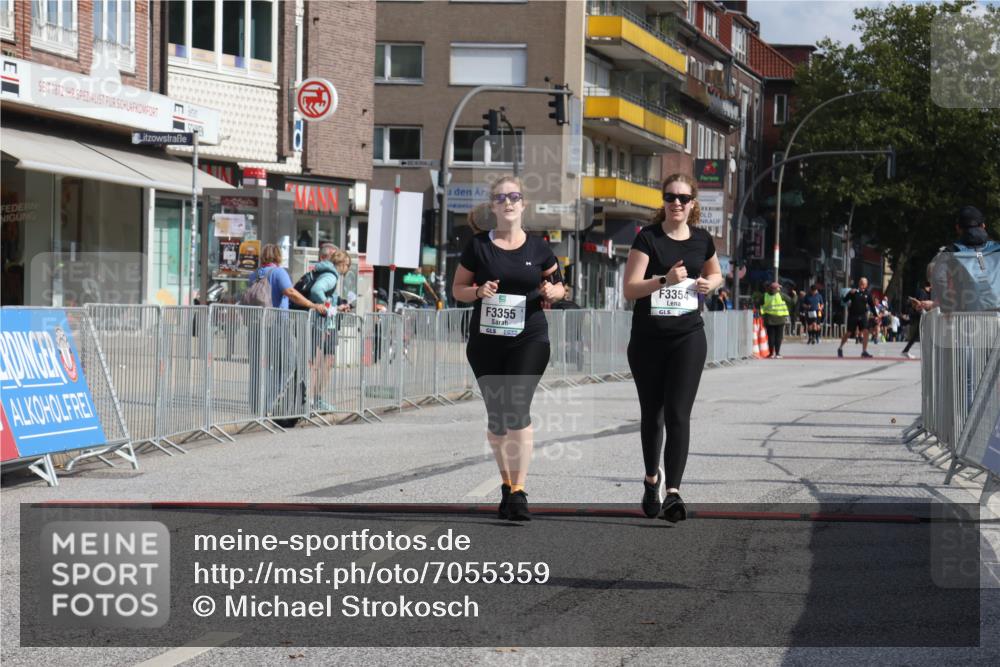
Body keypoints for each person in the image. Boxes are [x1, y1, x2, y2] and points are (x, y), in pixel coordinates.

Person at [452, 175, 565, 521]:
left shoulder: (539, 247)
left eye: (515, 196)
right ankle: (506, 483)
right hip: (486, 342)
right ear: (493, 206)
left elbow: (560, 285)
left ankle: (519, 490)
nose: (509, 202)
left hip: (529, 338)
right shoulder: (478, 246)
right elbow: (457, 288)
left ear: (523, 204)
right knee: (498, 420)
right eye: (501, 198)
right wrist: (477, 292)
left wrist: (553, 293)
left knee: (517, 408)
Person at [623, 173, 723, 522]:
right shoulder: (647, 239)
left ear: (693, 203)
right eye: (670, 197)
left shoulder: (702, 240)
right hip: (648, 338)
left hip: (688, 336)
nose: (676, 203)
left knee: (679, 413)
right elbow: (630, 289)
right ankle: (652, 479)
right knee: (654, 414)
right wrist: (665, 280)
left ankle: (673, 493)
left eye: (683, 198)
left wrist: (711, 283)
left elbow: (716, 273)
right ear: (663, 202)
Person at [247, 244, 327, 421]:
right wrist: (312, 305)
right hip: (277, 324)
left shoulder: (253, 275)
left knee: (260, 366)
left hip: (256, 324)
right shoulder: (278, 273)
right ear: (278, 256)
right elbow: (290, 292)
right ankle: (270, 403)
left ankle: (257, 405)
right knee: (288, 364)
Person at [308, 246, 352, 412]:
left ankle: (314, 399)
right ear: (343, 263)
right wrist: (330, 308)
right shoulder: (331, 276)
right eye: (347, 265)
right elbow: (316, 290)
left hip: (323, 323)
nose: (347, 269)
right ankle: (314, 400)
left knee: (322, 363)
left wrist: (335, 305)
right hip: (323, 324)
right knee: (321, 363)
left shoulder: (326, 272)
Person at [837, 277, 876, 358]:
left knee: (866, 332)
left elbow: (872, 305)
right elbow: (844, 300)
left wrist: (876, 315)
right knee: (849, 333)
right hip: (853, 315)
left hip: (863, 315)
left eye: (864, 284)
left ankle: (864, 351)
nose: (862, 285)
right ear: (859, 284)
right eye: (861, 283)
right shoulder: (854, 292)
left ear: (866, 285)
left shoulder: (868, 294)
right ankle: (840, 348)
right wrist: (849, 293)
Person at [760, 282, 792, 358]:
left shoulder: (765, 295)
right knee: (778, 337)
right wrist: (795, 296)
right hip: (780, 319)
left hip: (769, 319)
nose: (779, 289)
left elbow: (759, 303)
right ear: (776, 288)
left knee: (770, 337)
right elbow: (791, 301)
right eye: (778, 287)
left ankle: (771, 353)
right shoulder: (781, 295)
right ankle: (777, 354)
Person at [901, 281, 932, 359]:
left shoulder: (927, 293)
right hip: (921, 316)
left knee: (917, 335)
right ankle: (906, 351)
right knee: (923, 334)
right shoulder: (923, 292)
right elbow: (920, 304)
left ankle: (906, 350)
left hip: (924, 315)